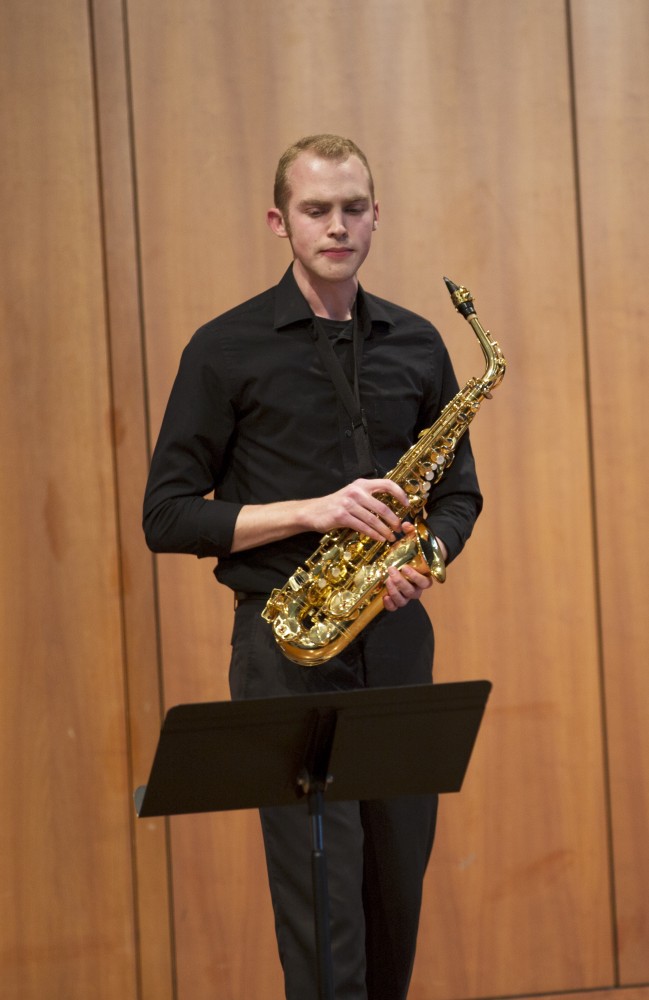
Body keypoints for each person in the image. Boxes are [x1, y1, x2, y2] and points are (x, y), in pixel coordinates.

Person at [143, 134, 482, 1000]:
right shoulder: (224, 349)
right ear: (278, 221)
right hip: (283, 644)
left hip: (395, 637)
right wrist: (314, 510)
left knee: (394, 892)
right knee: (321, 906)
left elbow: (457, 498)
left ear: (376, 216)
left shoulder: (416, 340)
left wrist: (423, 558)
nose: (337, 225)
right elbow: (169, 514)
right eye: (316, 209)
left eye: (353, 208)